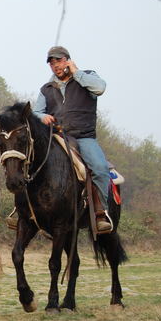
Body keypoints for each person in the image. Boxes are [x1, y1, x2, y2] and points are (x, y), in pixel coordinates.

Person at [33, 45, 112, 233]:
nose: (55, 66)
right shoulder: (46, 88)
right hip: (56, 137)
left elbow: (100, 88)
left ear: (68, 60)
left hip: (83, 137)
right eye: (52, 63)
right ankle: (23, 211)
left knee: (100, 169)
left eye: (59, 61)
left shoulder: (86, 77)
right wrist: (41, 117)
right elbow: (36, 111)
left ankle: (101, 212)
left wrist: (76, 73)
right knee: (28, 162)